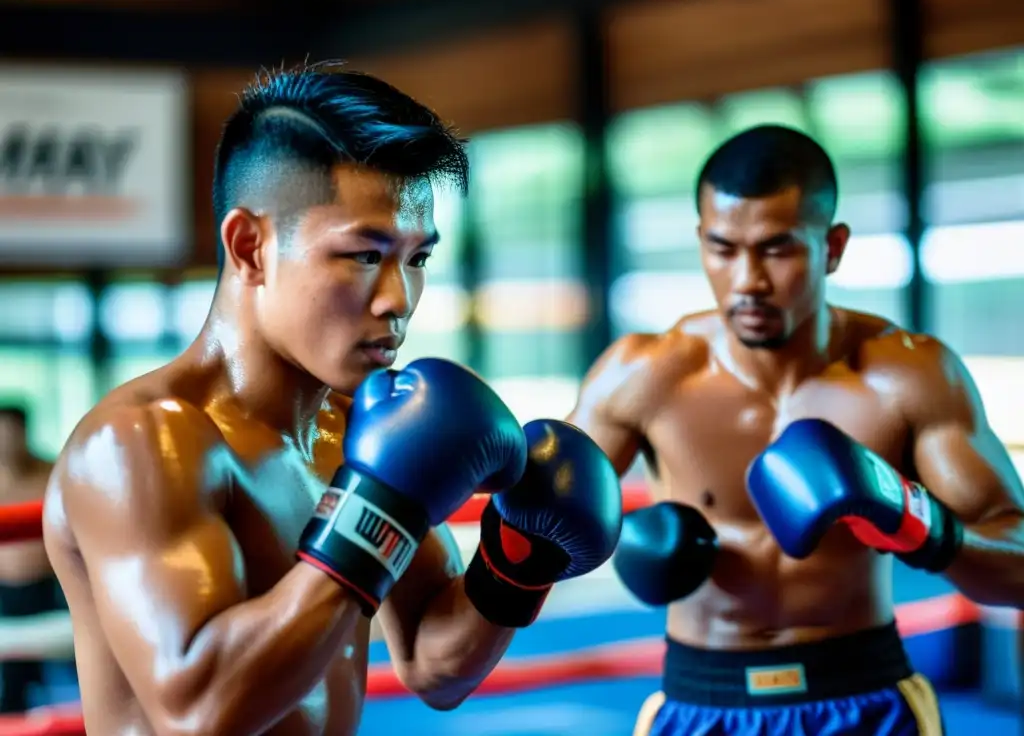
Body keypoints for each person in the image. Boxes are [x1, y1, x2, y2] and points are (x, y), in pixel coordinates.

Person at [43, 63, 622, 735]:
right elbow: (198, 711)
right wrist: (378, 508)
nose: (398, 299)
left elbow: (435, 664)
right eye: (364, 256)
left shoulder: (361, 431)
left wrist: (517, 558)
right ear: (250, 247)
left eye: (418, 259)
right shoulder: (143, 443)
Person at [569, 124, 1024, 736]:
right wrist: (618, 539)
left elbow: (1018, 565)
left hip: (864, 699)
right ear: (701, 241)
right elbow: (538, 522)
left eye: (777, 249)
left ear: (832, 247)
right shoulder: (645, 375)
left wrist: (912, 520)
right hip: (703, 703)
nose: (748, 281)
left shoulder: (907, 376)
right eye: (724, 249)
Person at [0, 404, 73, 711]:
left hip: (47, 586)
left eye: (12, 431)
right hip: (5, 590)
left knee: (65, 664)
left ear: (24, 432)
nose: (6, 439)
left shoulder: (52, 473)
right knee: (12, 676)